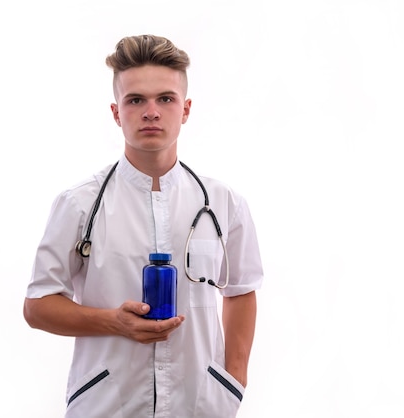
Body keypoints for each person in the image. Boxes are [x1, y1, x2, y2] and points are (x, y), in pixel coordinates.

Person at [23, 34, 264, 418]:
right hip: (108, 404)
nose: (151, 112)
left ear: (185, 109)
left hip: (199, 405)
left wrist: (232, 382)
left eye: (165, 99)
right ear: (117, 112)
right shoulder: (79, 204)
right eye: (136, 100)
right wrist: (113, 322)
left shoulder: (223, 203)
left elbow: (241, 290)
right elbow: (38, 306)